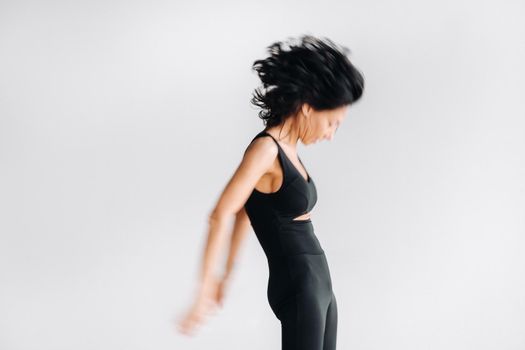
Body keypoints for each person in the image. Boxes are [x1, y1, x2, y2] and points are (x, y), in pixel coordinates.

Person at [177, 34, 365, 349]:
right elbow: (221, 213)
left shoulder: (289, 149)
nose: (331, 134)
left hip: (320, 285)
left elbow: (245, 212)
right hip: (299, 285)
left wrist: (228, 273)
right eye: (331, 123)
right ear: (307, 108)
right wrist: (206, 287)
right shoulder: (266, 150)